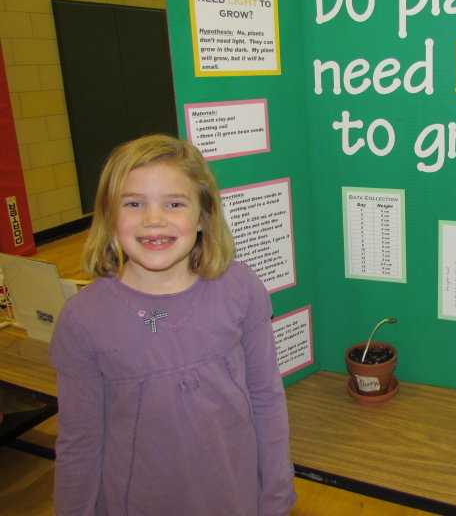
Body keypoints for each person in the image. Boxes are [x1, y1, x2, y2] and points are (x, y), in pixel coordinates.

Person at [50, 134, 296, 516]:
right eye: (133, 203)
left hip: (235, 496)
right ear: (109, 216)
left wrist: (276, 495)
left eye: (175, 203)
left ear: (202, 217)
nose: (154, 220)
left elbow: (266, 397)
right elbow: (79, 441)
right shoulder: (83, 319)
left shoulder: (240, 288)